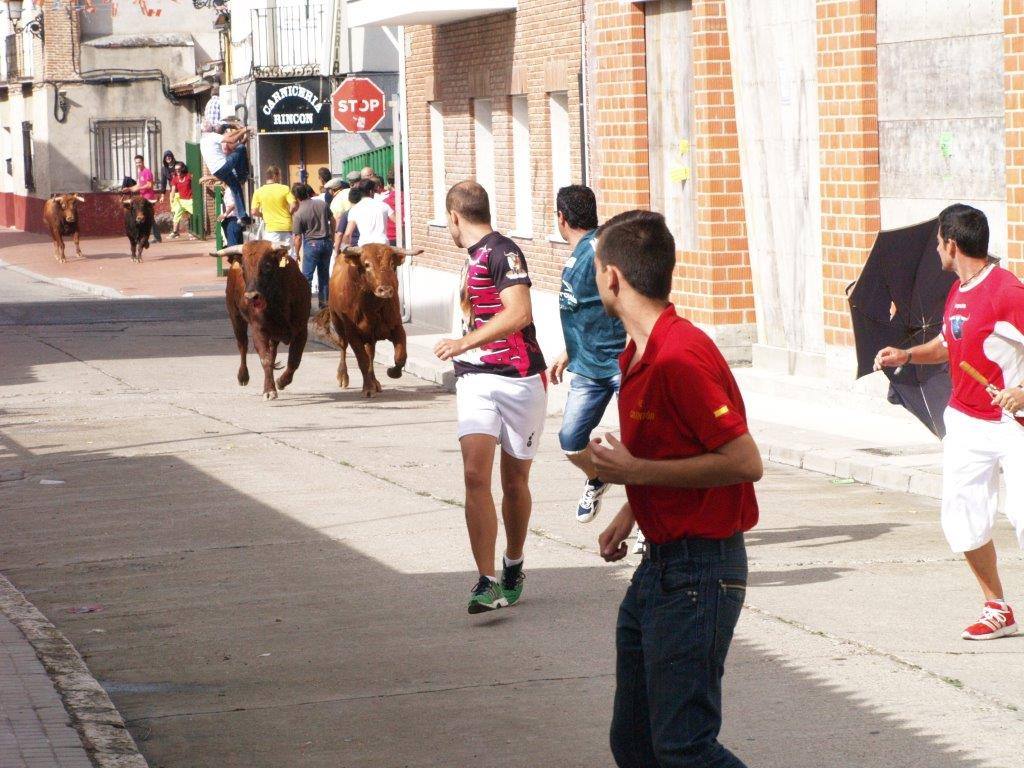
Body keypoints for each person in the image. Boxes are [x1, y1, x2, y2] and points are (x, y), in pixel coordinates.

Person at [592, 210, 761, 768]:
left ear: (612, 277)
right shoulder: (641, 354)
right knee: (636, 745)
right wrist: (632, 509)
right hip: (661, 567)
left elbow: (743, 461)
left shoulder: (678, 357)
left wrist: (634, 474)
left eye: (594, 270)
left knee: (685, 748)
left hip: (698, 571)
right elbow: (676, 451)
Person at [875, 204, 1024, 641]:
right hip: (965, 422)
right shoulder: (957, 291)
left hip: (1011, 423)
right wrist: (907, 354)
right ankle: (997, 606)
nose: (937, 249)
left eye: (939, 241)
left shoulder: (1008, 290)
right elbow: (947, 342)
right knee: (962, 516)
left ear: (951, 244)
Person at [433, 181, 548, 614]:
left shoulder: (504, 252)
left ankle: (513, 564)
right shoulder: (469, 259)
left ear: (455, 217)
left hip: (520, 379)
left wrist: (463, 343)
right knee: (474, 475)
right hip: (476, 380)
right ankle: (485, 580)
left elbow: (519, 314)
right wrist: (467, 351)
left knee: (514, 482)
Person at [547, 185, 627, 525]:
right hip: (587, 366)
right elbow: (585, 308)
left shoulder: (598, 250)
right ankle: (598, 477)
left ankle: (646, 521)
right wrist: (569, 350)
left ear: (561, 218)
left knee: (643, 444)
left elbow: (623, 300)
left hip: (621, 363)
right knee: (570, 439)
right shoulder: (580, 250)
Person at [291, 182, 334, 309]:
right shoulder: (322, 204)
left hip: (311, 245)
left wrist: (297, 253)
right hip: (326, 243)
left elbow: (298, 237)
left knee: (307, 278)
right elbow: (333, 219)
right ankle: (324, 305)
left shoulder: (298, 213)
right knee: (324, 276)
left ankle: (305, 306)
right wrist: (331, 235)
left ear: (296, 197)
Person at [199, 121, 251, 223]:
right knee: (241, 148)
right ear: (212, 129)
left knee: (235, 187)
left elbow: (229, 138)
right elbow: (231, 139)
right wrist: (245, 129)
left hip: (215, 171)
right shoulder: (212, 136)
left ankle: (243, 216)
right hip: (223, 166)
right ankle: (242, 176)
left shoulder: (202, 140)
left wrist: (240, 131)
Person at [251, 165, 297, 255]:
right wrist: (289, 213)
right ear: (275, 176)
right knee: (286, 254)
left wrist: (262, 215)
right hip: (286, 227)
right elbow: (294, 205)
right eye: (279, 175)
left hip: (271, 229)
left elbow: (254, 211)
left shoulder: (259, 191)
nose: (280, 178)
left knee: (272, 255)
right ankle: (283, 267)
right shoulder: (285, 188)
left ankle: (277, 268)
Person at [339, 179, 393, 247]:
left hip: (365, 247)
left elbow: (347, 234)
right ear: (371, 191)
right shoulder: (384, 205)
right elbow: (398, 221)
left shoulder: (354, 209)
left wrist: (344, 247)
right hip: (383, 246)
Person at [129, 154, 161, 242]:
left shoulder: (147, 172)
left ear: (143, 162)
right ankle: (155, 237)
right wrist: (129, 189)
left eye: (139, 162)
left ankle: (154, 237)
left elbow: (150, 185)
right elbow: (139, 185)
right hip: (142, 198)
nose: (138, 164)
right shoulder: (140, 172)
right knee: (148, 217)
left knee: (148, 217)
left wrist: (139, 188)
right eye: (136, 163)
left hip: (148, 198)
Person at [167, 162, 197, 240]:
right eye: (176, 169)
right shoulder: (175, 179)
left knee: (194, 215)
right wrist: (172, 200)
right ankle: (175, 232)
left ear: (183, 169)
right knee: (176, 216)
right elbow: (173, 190)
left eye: (179, 169)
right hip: (180, 201)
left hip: (190, 200)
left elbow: (195, 182)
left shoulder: (188, 176)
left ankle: (195, 232)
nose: (177, 171)